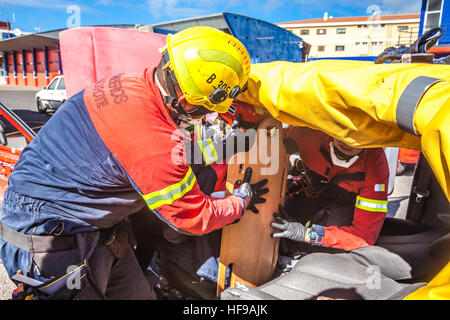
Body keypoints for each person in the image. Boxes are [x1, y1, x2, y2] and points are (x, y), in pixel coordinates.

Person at [0, 26, 268, 300]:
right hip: (49, 235)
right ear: (188, 101)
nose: (211, 114)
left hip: (91, 226)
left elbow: (176, 152)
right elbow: (193, 216)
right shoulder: (150, 137)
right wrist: (242, 201)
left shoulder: (136, 85)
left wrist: (231, 145)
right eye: (210, 108)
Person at [271, 126, 389, 252]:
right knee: (277, 215)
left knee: (336, 249)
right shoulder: (309, 134)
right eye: (344, 131)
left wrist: (306, 234)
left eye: (359, 136)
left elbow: (362, 237)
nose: (348, 141)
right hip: (313, 190)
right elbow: (265, 136)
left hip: (346, 204)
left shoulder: (376, 168)